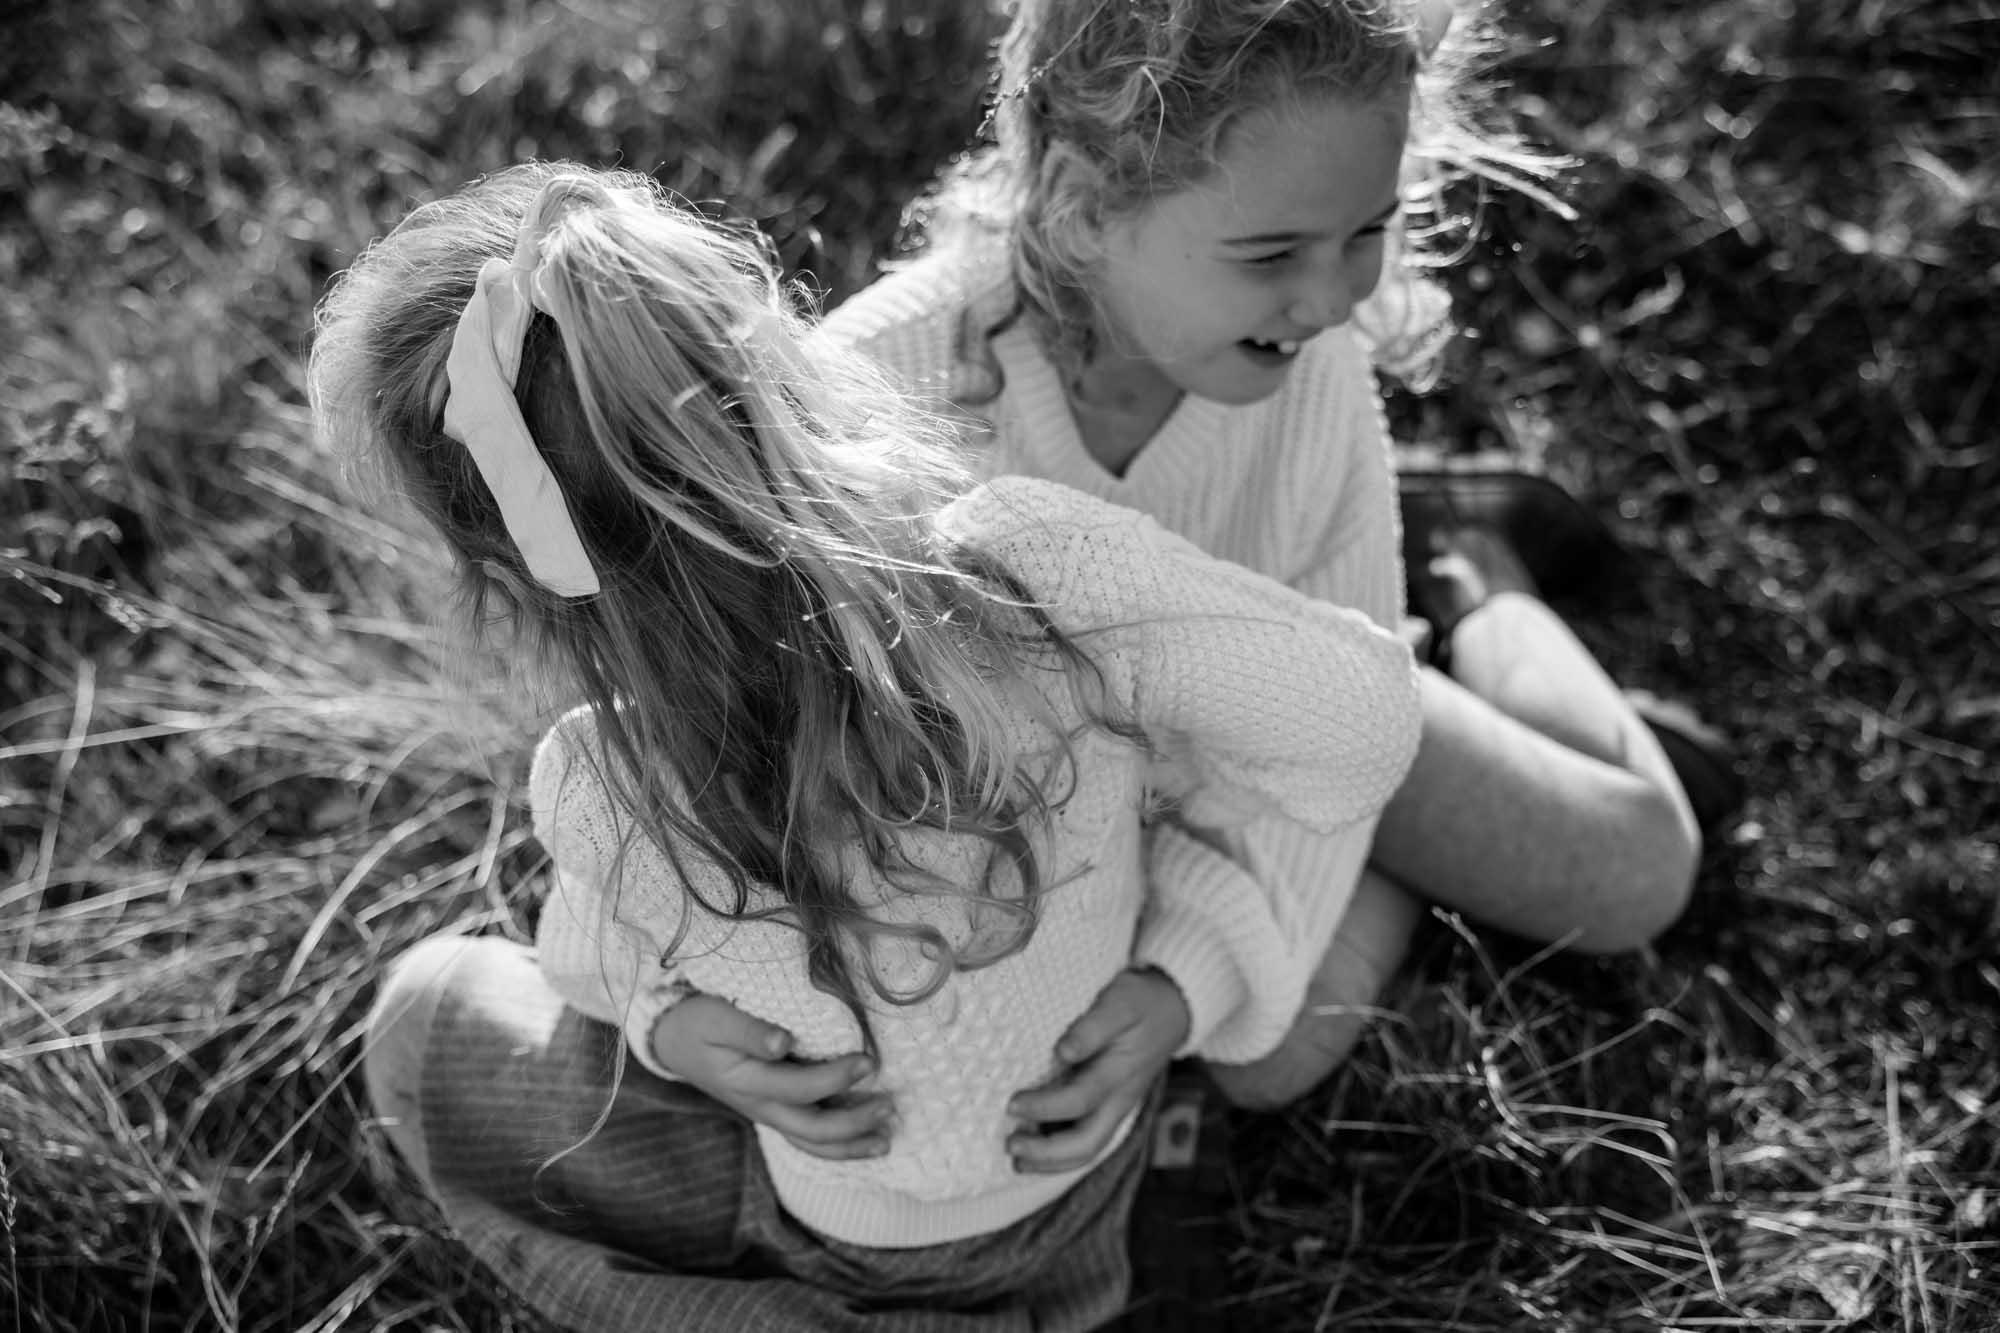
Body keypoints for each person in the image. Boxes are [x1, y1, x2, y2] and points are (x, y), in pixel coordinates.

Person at [314, 161, 1425, 1328]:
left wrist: (672, 1028)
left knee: (424, 1012)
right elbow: (1367, 724)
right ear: (790, 366)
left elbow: (583, 965)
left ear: (510, 581)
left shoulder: (603, 784)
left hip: (827, 1217)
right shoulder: (1048, 575)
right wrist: (1162, 792)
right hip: (1083, 1185)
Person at [641, 0, 1718, 1178]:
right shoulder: (869, 404)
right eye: (1269, 256)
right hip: (1058, 843)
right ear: (1082, 197)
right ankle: (1379, 818)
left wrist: (1188, 970)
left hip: (1297, 734)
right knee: (1265, 1057)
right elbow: (703, 757)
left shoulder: (1312, 384)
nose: (1332, 300)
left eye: (1367, 229)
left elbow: (1329, 724)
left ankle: (1475, 573)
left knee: (1636, 871)